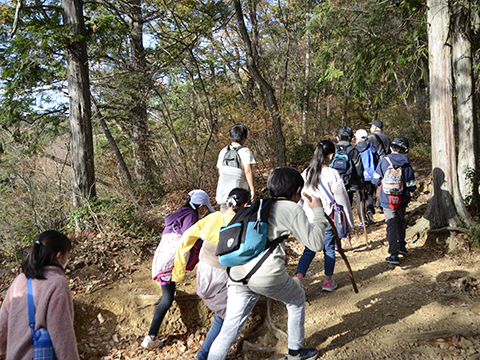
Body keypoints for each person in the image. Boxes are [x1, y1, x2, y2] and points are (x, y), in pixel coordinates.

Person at [207, 166, 327, 360]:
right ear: (297, 191)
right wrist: (318, 212)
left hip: (237, 274)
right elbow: (315, 243)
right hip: (266, 276)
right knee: (296, 299)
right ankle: (296, 354)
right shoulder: (292, 208)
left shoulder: (258, 206)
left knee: (229, 329)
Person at [172, 188, 250, 360]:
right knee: (226, 318)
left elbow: (187, 236)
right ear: (245, 205)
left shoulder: (213, 217)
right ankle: (207, 356)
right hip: (223, 275)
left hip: (205, 272)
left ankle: (204, 354)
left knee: (221, 317)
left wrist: (180, 265)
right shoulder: (244, 222)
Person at [142, 190, 214, 350]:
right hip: (170, 260)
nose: (204, 212)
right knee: (167, 299)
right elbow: (191, 237)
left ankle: (151, 337)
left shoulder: (177, 214)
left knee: (168, 294)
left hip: (161, 257)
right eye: (204, 208)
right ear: (200, 206)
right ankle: (151, 337)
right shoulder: (191, 216)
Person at [0, 230, 80, 360]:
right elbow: (62, 334)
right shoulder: (57, 284)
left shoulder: (19, 280)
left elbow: (2, 322)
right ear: (59, 256)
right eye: (67, 255)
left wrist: (3, 352)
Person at [294, 140, 354, 292]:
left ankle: (299, 277)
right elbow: (342, 201)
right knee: (329, 249)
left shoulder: (306, 173)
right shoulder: (332, 174)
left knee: (309, 249)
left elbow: (301, 198)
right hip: (328, 220)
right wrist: (348, 224)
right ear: (331, 155)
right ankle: (327, 281)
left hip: (309, 219)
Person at [372, 136, 416, 265]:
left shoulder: (384, 162)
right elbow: (411, 186)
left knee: (391, 224)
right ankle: (402, 246)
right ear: (406, 150)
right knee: (401, 221)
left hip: (387, 199)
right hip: (402, 199)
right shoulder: (407, 165)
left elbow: (375, 180)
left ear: (391, 147)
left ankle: (393, 254)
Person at [215, 124, 256, 211]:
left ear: (230, 136)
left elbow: (220, 171)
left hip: (223, 195)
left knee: (225, 219)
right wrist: (252, 189)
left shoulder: (223, 151)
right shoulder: (245, 151)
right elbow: (248, 170)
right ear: (244, 138)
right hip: (239, 196)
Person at [354, 129, 379, 225]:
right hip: (370, 175)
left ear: (357, 138)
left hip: (359, 177)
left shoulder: (354, 149)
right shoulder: (372, 148)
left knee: (360, 198)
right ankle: (370, 209)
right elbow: (377, 161)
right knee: (370, 194)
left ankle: (362, 220)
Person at [335, 126, 365, 207]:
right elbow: (359, 171)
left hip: (332, 186)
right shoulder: (354, 151)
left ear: (337, 138)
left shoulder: (332, 150)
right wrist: (361, 187)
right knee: (346, 210)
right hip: (348, 186)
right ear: (352, 139)